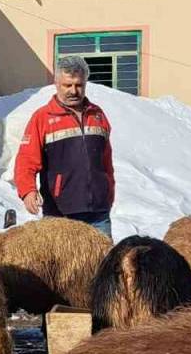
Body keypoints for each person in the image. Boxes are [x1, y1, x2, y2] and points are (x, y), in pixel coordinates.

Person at [13, 56, 115, 238]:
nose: (73, 91)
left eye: (79, 85)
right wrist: (28, 191)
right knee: (60, 267)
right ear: (56, 83)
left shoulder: (98, 115)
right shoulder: (42, 117)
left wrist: (109, 191)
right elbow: (26, 160)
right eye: (67, 85)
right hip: (60, 214)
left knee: (103, 265)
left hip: (98, 214)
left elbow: (106, 162)